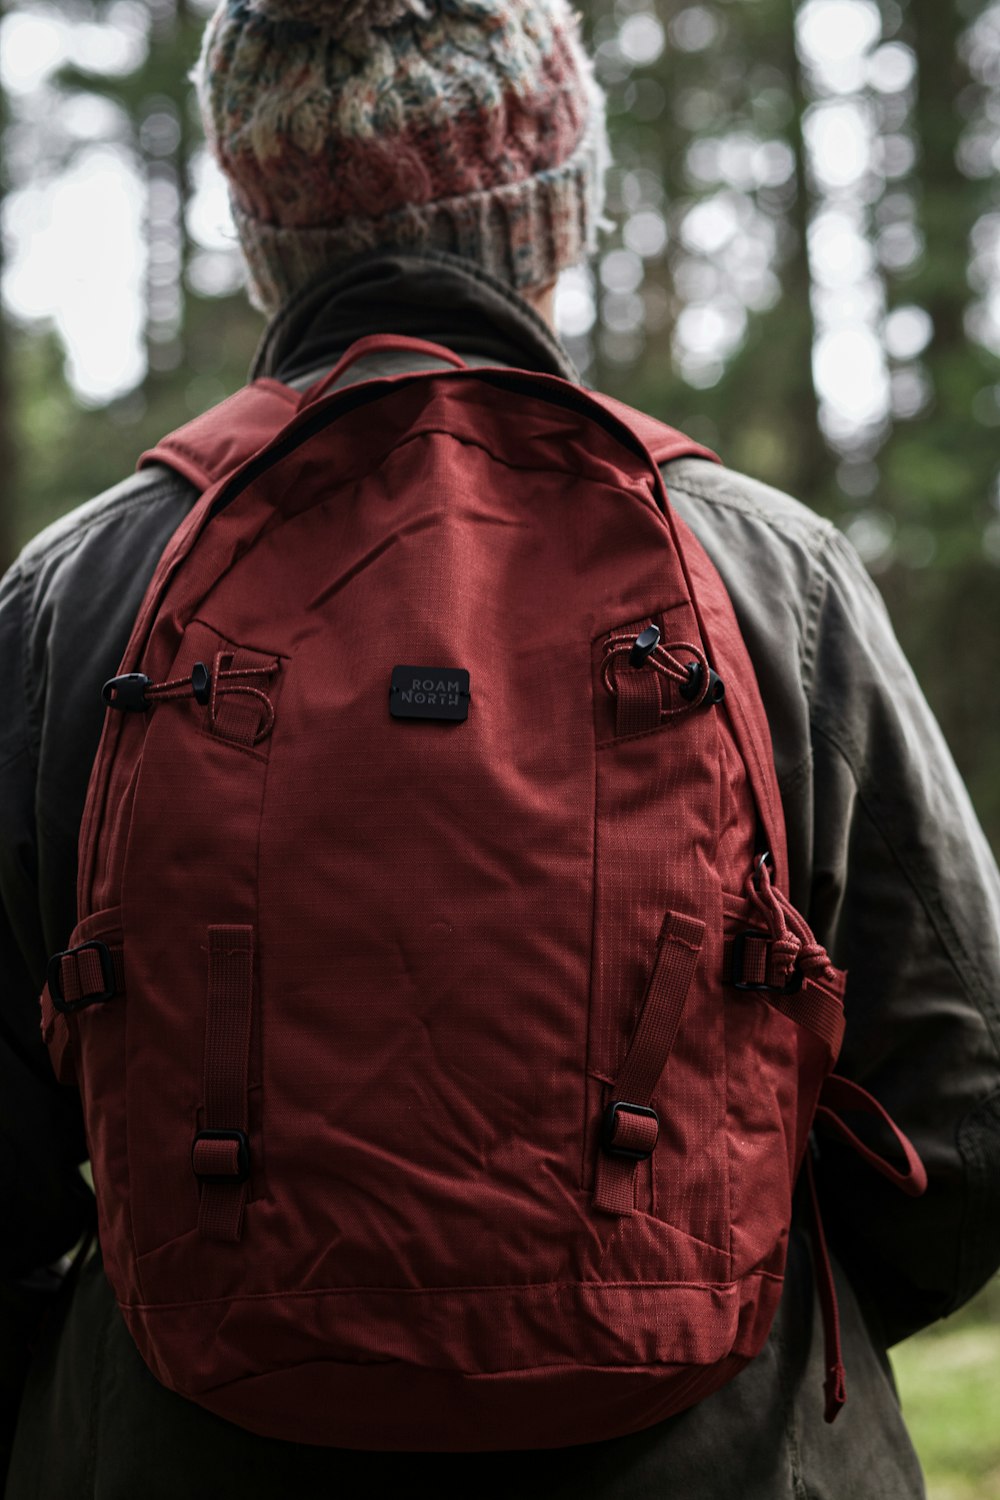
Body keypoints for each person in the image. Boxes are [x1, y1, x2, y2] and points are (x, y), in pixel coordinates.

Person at [2, 0, 999, 1494]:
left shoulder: (80, 591)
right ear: (550, 220)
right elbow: (964, 1105)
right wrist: (709, 1302)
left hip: (184, 1440)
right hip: (723, 1454)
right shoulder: (762, 569)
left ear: (263, 226)